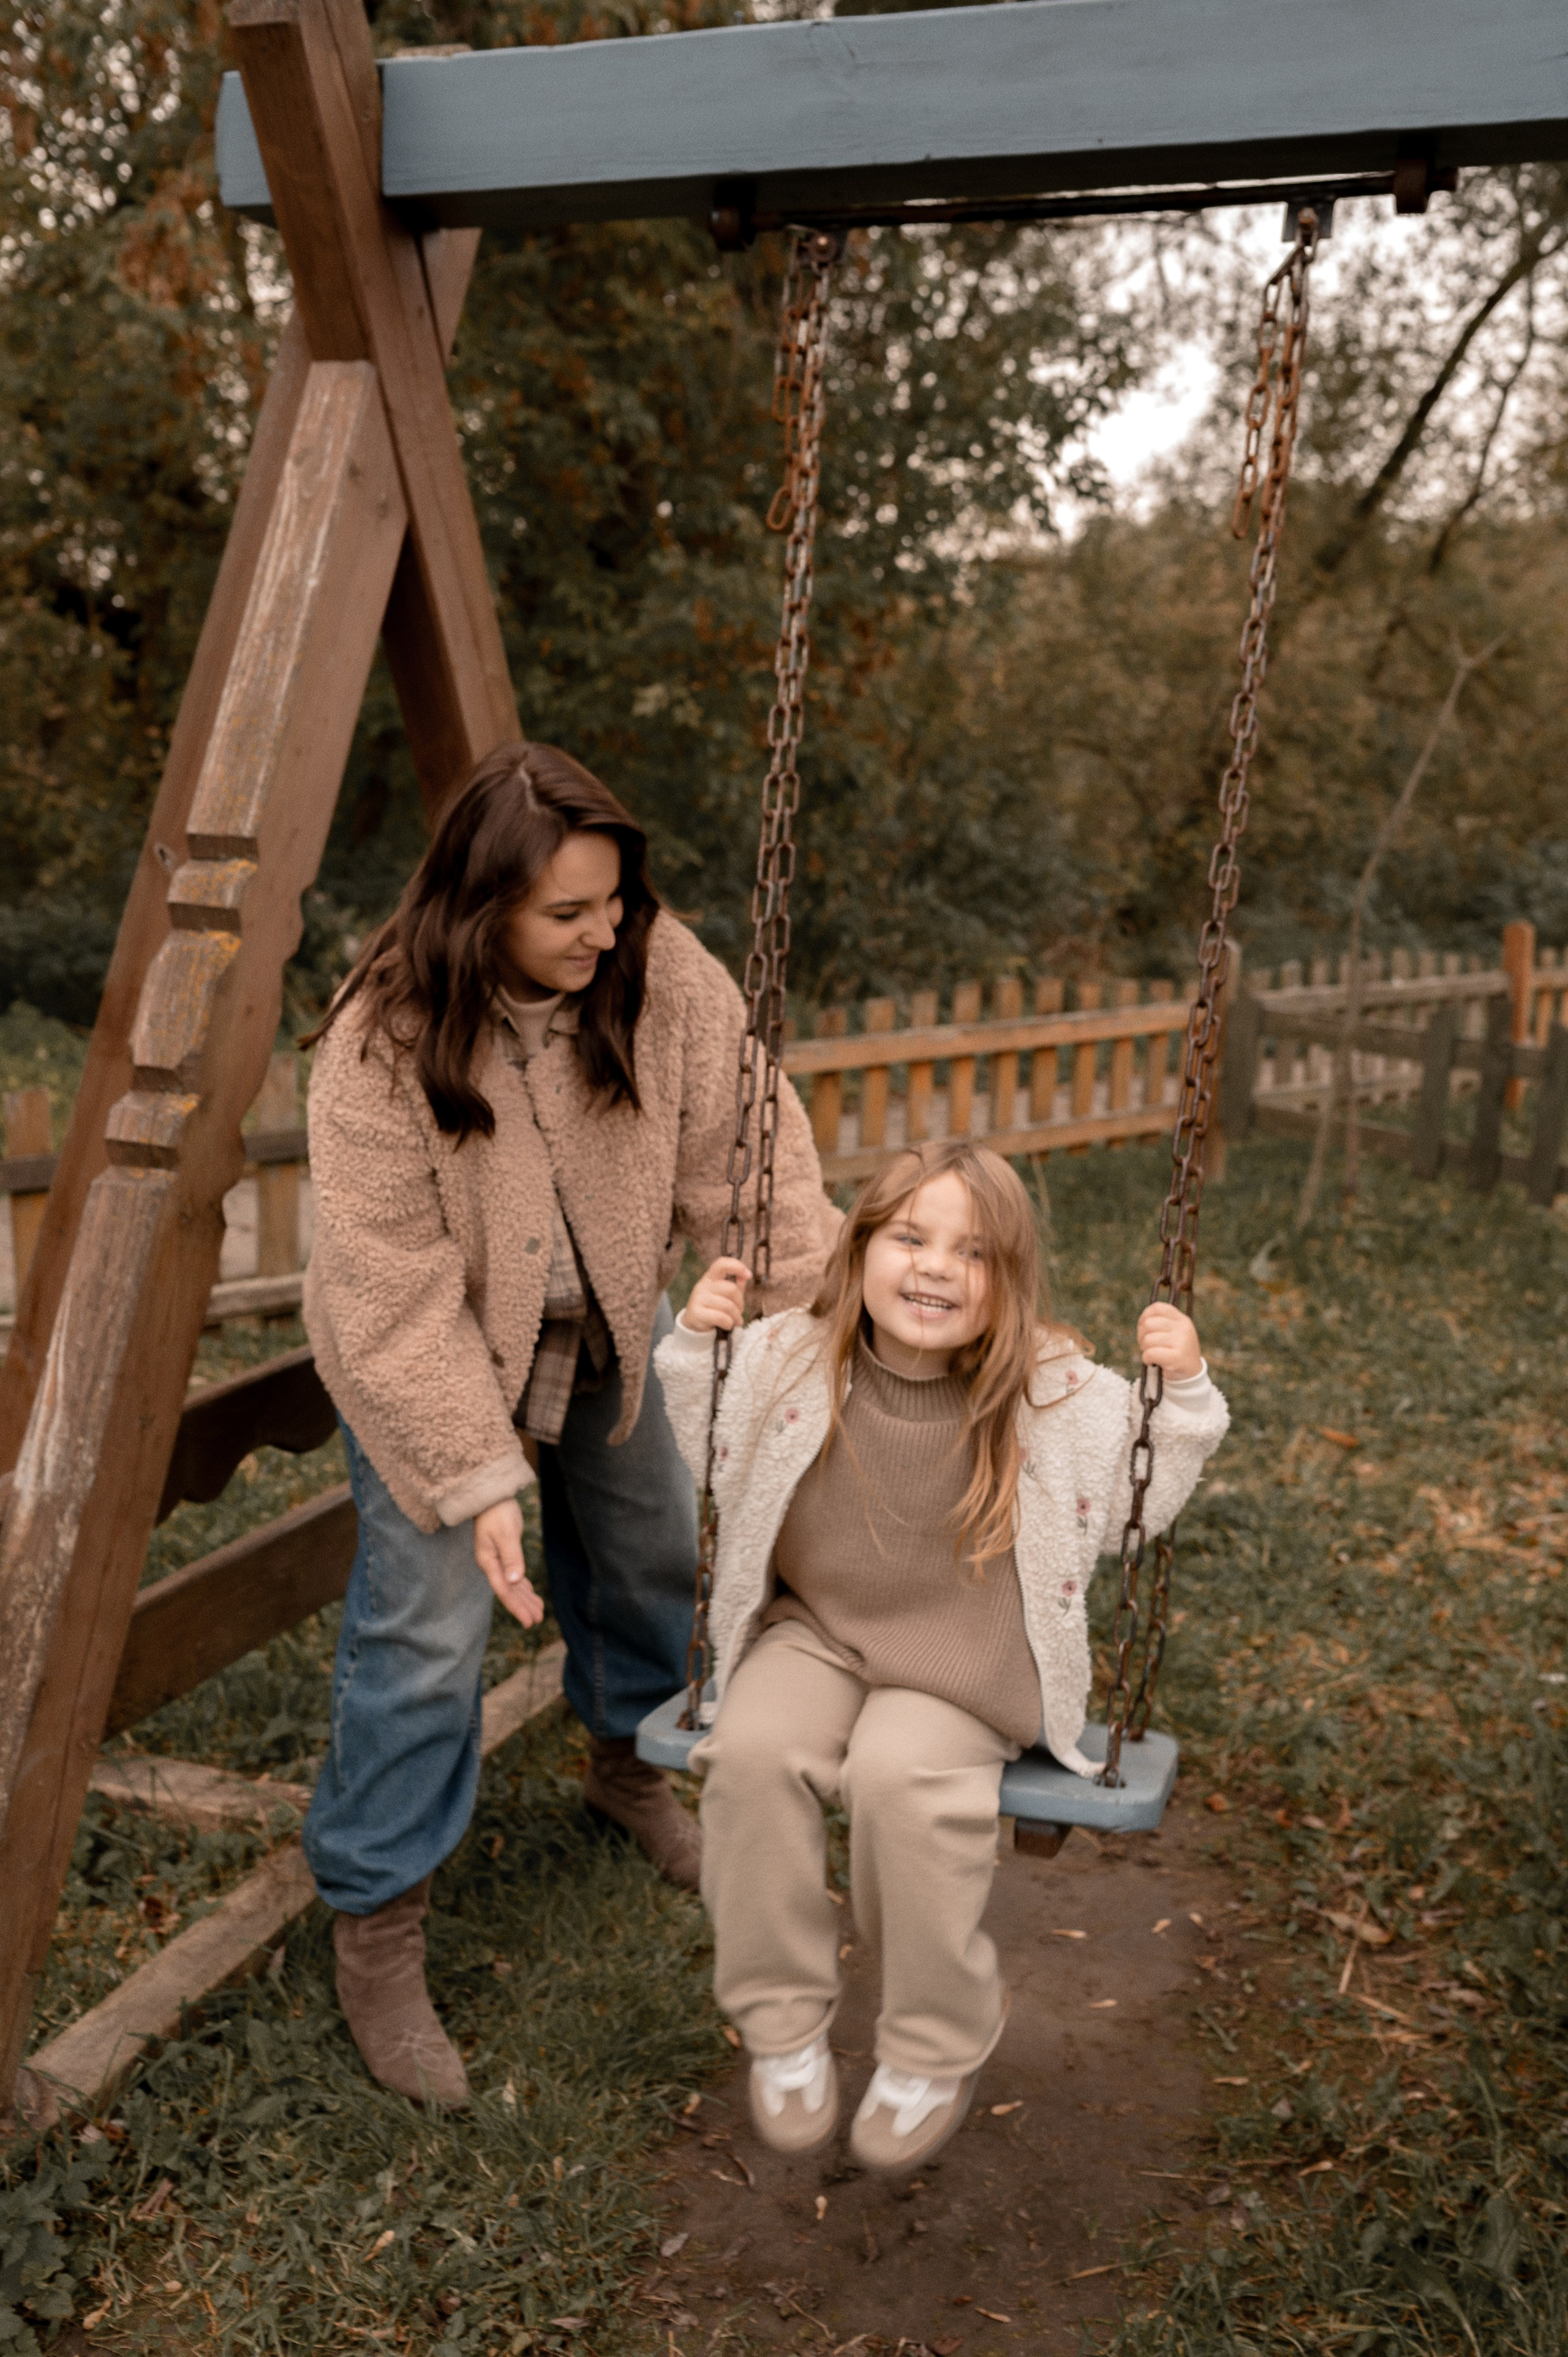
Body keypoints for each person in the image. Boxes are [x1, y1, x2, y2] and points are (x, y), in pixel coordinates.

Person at [300, 741, 836, 2107]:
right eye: (566, 913)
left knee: (652, 1545)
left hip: (603, 1324)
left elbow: (750, 1170)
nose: (603, 930)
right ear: (482, 909)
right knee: (430, 1628)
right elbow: (389, 1290)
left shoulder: (660, 977)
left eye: (613, 898)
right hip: (426, 1355)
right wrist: (477, 1477)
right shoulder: (378, 1039)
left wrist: (844, 1333)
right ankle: (378, 1921)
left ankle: (623, 1771)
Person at [655, 1139, 1228, 2174]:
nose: (932, 1268)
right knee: (748, 1755)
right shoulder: (793, 1354)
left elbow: (1132, 1505)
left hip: (964, 1660)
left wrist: (1179, 1392)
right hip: (818, 1632)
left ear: (1007, 1286)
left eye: (971, 1254)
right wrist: (700, 1346)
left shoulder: (1047, 1390)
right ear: (861, 1246)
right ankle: (781, 2023)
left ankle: (932, 2044)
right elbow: (715, 1450)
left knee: (900, 1780)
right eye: (910, 1237)